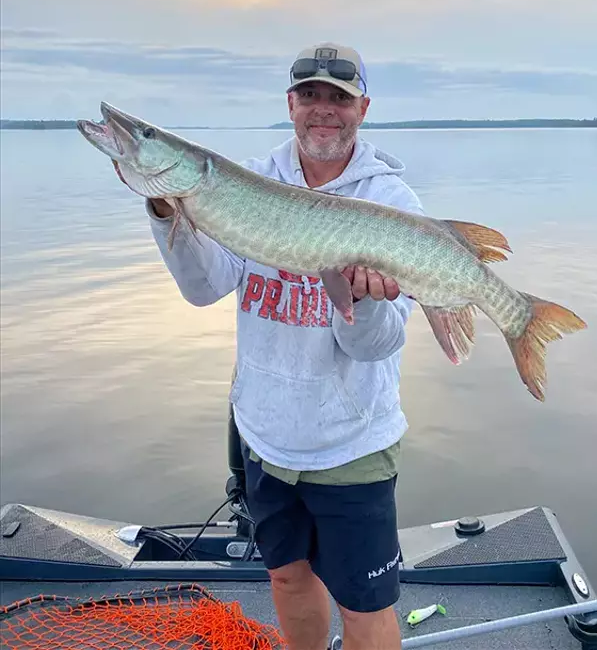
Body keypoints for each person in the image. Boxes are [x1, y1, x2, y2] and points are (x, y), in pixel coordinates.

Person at [120, 43, 424, 650]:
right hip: (264, 436)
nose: (323, 109)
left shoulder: (392, 203)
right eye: (310, 95)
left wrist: (361, 302)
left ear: (362, 107)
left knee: (365, 606)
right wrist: (163, 209)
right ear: (290, 104)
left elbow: (378, 346)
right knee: (285, 578)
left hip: (350, 442)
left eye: (338, 97)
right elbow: (204, 286)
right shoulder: (247, 185)